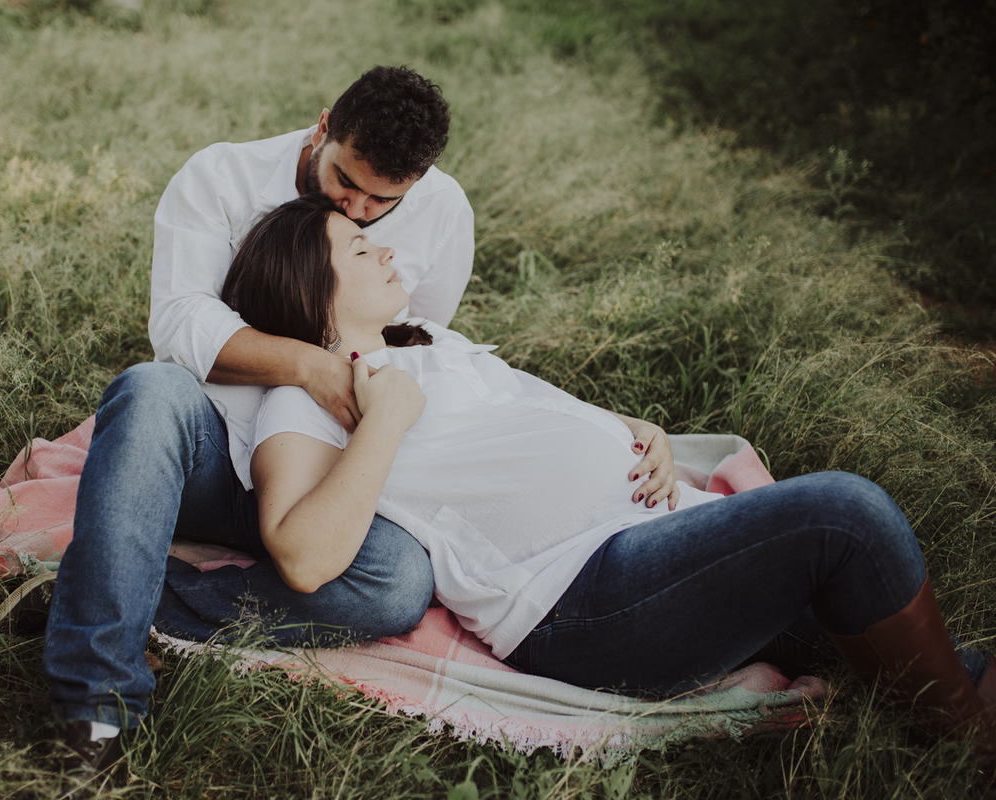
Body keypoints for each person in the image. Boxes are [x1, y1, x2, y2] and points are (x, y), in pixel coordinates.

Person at [226, 194, 996, 756]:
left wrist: (632, 430)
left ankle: (959, 696)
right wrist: (387, 420)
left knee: (884, 629)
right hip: (580, 600)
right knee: (843, 515)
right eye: (360, 250)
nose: (386, 250)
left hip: (655, 532)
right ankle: (966, 744)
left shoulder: (433, 344)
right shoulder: (305, 400)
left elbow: (537, 411)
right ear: (310, 292)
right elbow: (303, 552)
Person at [41, 66, 473, 774]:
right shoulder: (221, 175)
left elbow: (417, 333)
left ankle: (118, 595)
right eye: (346, 180)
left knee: (397, 584)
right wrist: (309, 365)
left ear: (420, 180)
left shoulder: (446, 211)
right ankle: (96, 704)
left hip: (325, 469)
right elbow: (180, 322)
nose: (359, 208)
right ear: (325, 124)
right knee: (150, 390)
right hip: (210, 454)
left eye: (381, 200)